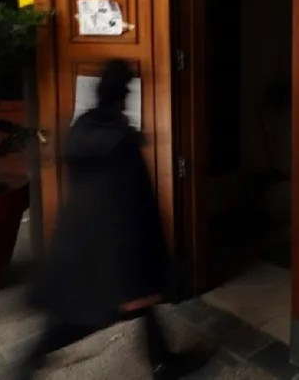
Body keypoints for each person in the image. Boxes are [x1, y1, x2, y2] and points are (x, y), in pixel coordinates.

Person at [17, 60, 182, 379]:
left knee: (88, 309)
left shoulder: (82, 129)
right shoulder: (121, 145)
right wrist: (142, 265)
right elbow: (130, 210)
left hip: (76, 240)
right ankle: (32, 360)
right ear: (124, 95)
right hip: (110, 252)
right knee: (87, 315)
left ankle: (162, 361)